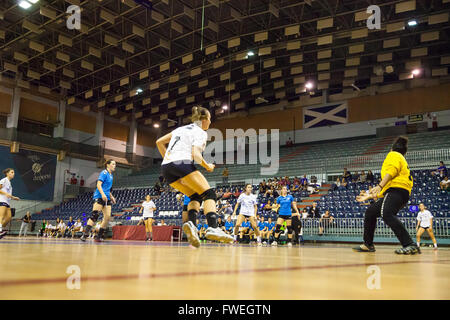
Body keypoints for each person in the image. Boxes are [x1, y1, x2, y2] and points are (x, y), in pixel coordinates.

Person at [156, 106, 233, 248]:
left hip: (166, 168)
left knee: (195, 196)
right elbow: (196, 155)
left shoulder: (180, 129)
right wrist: (207, 165)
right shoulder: (201, 132)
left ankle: (191, 225)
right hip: (182, 163)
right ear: (204, 120)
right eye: (209, 119)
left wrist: (169, 158)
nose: (210, 122)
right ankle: (213, 227)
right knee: (209, 194)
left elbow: (159, 142)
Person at [354, 136, 420, 254]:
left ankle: (410, 244)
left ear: (391, 149)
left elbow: (391, 172)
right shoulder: (401, 159)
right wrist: (370, 195)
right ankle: (368, 244)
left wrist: (379, 186)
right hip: (399, 192)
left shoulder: (393, 155)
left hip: (397, 191)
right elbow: (388, 185)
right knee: (371, 212)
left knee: (387, 213)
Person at [80, 160, 117, 242]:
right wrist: (103, 194)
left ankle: (98, 236)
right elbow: (98, 185)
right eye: (113, 164)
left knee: (107, 217)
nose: (115, 166)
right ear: (108, 165)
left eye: (115, 164)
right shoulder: (104, 173)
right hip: (99, 196)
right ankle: (85, 235)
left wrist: (112, 197)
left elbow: (108, 189)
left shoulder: (111, 175)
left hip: (107, 198)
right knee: (95, 215)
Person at [0, 168, 20, 239]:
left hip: (7, 202)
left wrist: (14, 197)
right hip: (2, 200)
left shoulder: (9, 183)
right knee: (1, 217)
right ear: (7, 173)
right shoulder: (4, 180)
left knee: (9, 217)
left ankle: (0, 228)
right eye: (12, 172)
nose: (13, 173)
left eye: (13, 172)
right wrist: (5, 194)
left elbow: (8, 194)